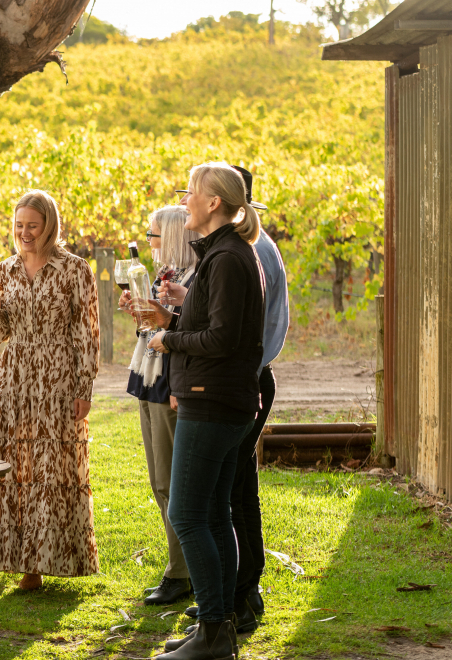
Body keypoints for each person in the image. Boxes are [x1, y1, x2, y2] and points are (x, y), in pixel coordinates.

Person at [0, 189, 101, 591]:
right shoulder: (5, 269)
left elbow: (87, 333)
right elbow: (1, 334)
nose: (25, 233)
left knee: (45, 463)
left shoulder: (75, 269)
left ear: (49, 225)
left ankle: (35, 564)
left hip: (57, 375)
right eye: (19, 226)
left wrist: (83, 386)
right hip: (14, 372)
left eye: (32, 226)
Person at [147, 162, 265, 660]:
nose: (185, 199)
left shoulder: (228, 258)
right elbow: (217, 323)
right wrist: (175, 316)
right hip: (218, 399)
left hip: (213, 401)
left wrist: (167, 338)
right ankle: (215, 630)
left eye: (191, 192)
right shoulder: (225, 255)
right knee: (214, 514)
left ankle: (215, 631)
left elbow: (221, 338)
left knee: (188, 514)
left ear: (214, 202)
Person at [121, 205, 199, 606]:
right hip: (149, 380)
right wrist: (140, 312)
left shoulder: (194, 279)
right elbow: (153, 327)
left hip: (170, 383)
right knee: (159, 481)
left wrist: (159, 315)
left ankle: (182, 573)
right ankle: (180, 568)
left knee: (171, 483)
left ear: (169, 237)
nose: (148, 241)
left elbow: (183, 330)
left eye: (153, 235)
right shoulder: (166, 275)